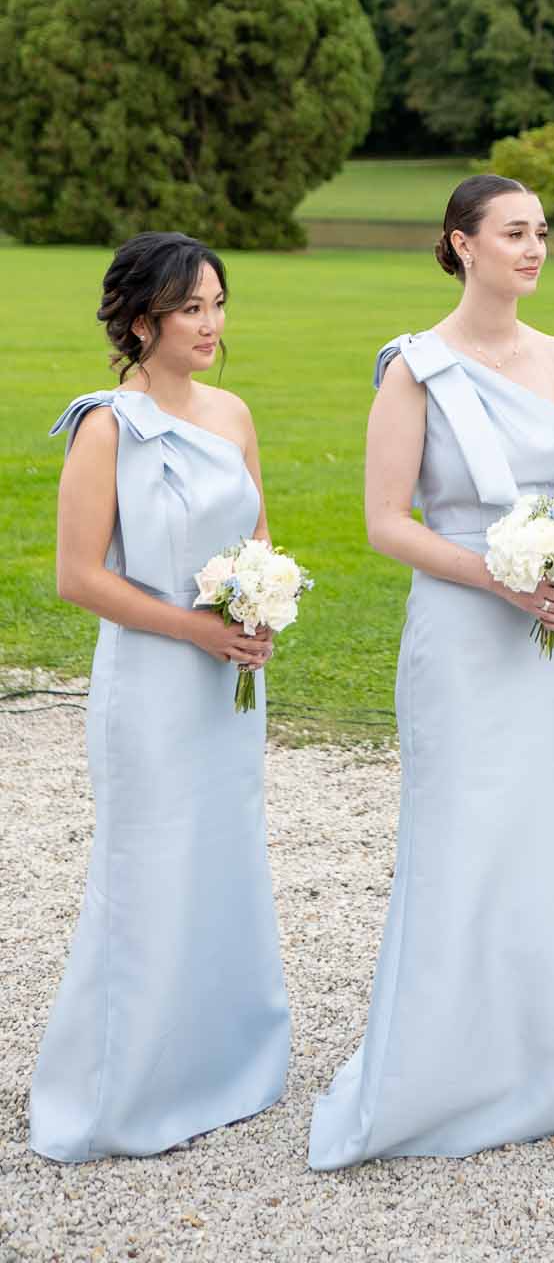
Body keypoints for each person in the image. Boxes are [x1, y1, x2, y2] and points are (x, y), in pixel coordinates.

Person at [308, 174, 554, 1168]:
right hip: (464, 629)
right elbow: (385, 522)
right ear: (461, 244)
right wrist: (496, 576)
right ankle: (451, 1065)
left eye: (541, 231)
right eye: (514, 232)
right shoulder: (414, 370)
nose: (534, 247)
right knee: (467, 824)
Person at [30, 232, 289, 1162]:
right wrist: (194, 629)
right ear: (142, 322)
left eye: (217, 304)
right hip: (150, 681)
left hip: (230, 679)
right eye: (190, 309)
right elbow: (77, 576)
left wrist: (259, 609)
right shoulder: (106, 426)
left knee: (221, 855)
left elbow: (258, 538)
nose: (210, 324)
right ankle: (123, 1087)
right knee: (148, 866)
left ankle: (216, 1063)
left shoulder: (232, 414)